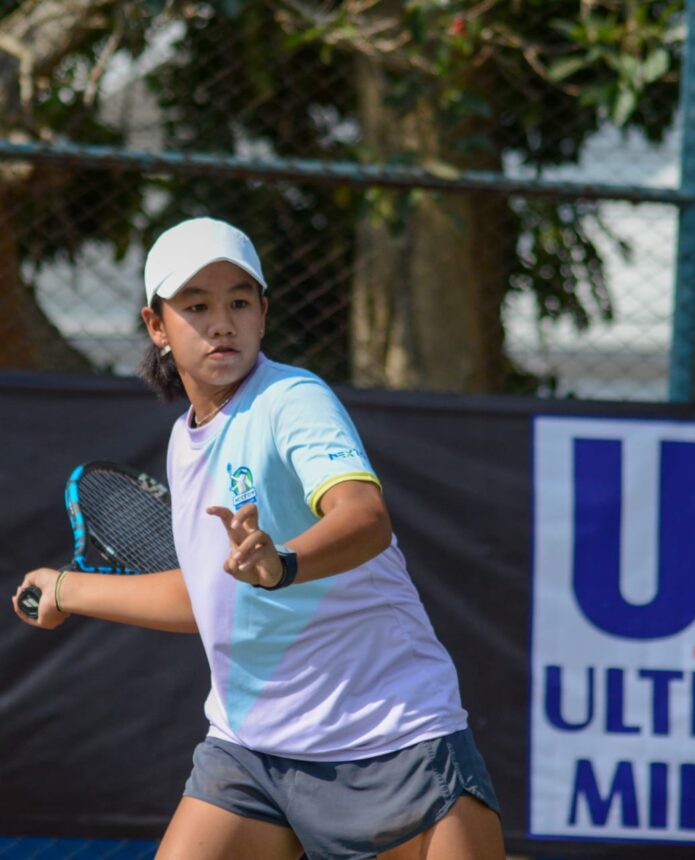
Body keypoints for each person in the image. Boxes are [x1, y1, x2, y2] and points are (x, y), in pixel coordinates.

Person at [12, 217, 505, 860]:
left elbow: (365, 517)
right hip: (249, 752)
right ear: (157, 326)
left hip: (388, 737)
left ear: (263, 314)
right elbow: (205, 598)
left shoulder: (292, 399)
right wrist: (67, 589)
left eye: (239, 302)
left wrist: (283, 564)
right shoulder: (185, 443)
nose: (222, 322)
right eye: (196, 305)